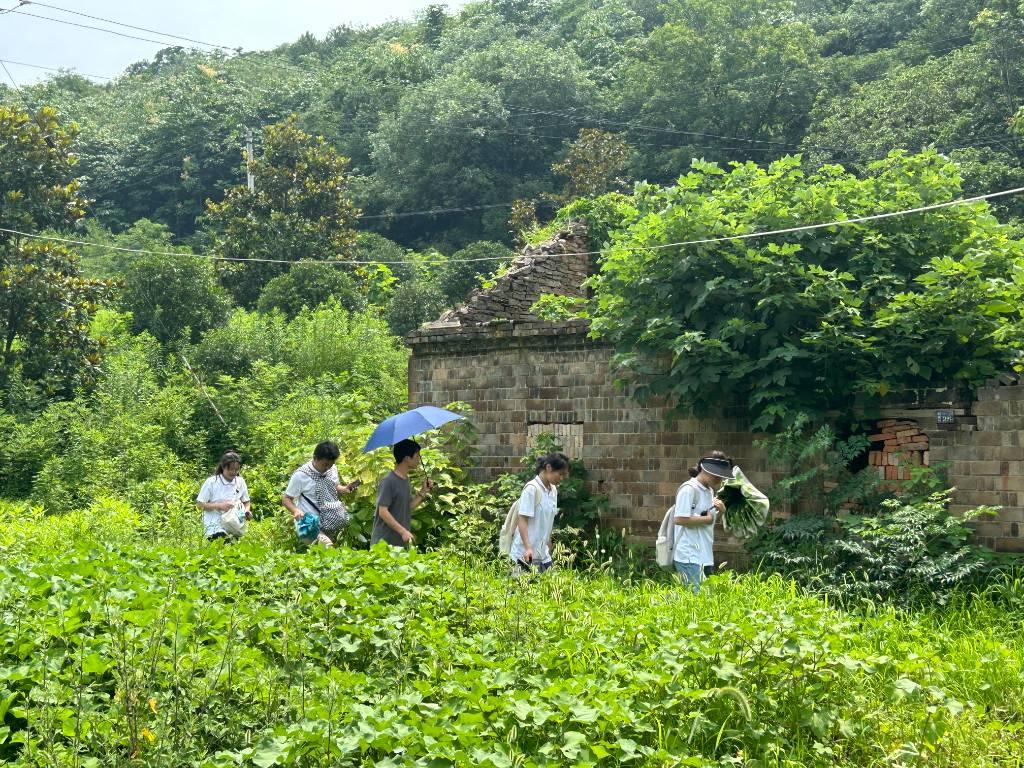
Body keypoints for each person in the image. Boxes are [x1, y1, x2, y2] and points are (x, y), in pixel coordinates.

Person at [673, 451, 733, 593]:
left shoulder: (709, 491)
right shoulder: (688, 489)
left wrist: (721, 512)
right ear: (706, 470)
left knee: (702, 599)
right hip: (688, 555)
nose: (720, 479)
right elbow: (679, 519)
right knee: (697, 598)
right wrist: (707, 518)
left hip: (704, 554)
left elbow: (708, 522)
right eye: (718, 475)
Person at [282, 440, 360, 547]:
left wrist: (346, 488)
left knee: (322, 558)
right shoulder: (301, 475)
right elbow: (286, 499)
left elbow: (335, 486)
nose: (327, 468)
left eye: (331, 465)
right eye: (325, 464)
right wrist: (295, 510)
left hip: (329, 521)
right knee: (328, 549)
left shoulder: (332, 469)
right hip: (310, 523)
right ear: (315, 458)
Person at [509, 452, 570, 574]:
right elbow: (522, 520)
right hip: (525, 555)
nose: (561, 478)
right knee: (522, 591)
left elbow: (548, 520)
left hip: (543, 555)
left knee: (550, 590)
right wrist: (528, 548)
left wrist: (549, 543)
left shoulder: (553, 491)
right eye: (560, 474)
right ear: (548, 468)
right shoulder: (531, 489)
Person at [372, 438, 433, 548]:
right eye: (417, 455)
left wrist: (423, 491)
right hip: (383, 544)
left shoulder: (405, 480)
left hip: (399, 544)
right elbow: (383, 512)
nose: (419, 459)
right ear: (407, 458)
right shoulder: (388, 481)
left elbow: (407, 507)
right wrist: (403, 532)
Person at [196, 450, 251, 542]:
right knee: (223, 549)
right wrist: (219, 506)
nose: (234, 472)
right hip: (214, 527)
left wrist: (246, 512)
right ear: (223, 467)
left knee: (233, 553)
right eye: (231, 469)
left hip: (233, 525)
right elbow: (199, 505)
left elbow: (246, 501)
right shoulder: (212, 482)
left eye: (236, 469)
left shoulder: (240, 482)